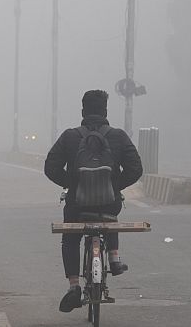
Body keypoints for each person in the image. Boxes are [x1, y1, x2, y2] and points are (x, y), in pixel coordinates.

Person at [44, 90, 143, 312]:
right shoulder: (117, 136)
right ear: (105, 111)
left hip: (77, 205)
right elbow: (136, 168)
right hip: (109, 204)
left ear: (83, 111)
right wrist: (115, 185)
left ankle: (73, 286)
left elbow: (50, 167)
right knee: (109, 216)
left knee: (70, 238)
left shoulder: (70, 136)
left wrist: (71, 183)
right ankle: (114, 259)